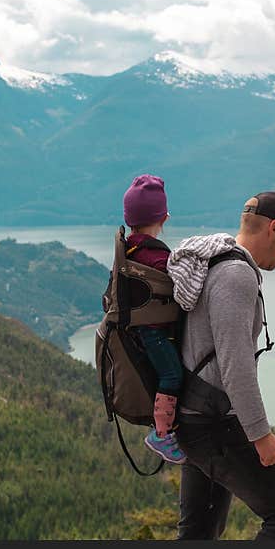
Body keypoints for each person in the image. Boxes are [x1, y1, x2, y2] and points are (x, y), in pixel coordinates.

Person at [167, 191, 275, 539]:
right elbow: (235, 366)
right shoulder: (236, 275)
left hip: (194, 416)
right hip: (216, 425)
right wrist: (260, 435)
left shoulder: (213, 262)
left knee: (198, 533)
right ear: (274, 228)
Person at [122, 174, 186, 464]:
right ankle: (160, 434)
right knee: (172, 375)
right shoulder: (157, 258)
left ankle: (164, 426)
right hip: (155, 331)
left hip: (138, 329)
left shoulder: (129, 249)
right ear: (164, 217)